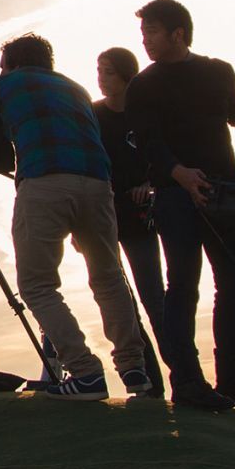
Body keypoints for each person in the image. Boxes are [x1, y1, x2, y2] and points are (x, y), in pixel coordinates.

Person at [0, 34, 222, 407]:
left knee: (37, 285)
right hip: (98, 186)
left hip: (45, 182)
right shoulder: (75, 88)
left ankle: (84, 371)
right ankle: (135, 369)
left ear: (11, 65)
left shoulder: (6, 85)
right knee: (109, 278)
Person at [124, 0, 235, 416]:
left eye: (153, 32)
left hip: (226, 193)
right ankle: (188, 383)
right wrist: (179, 173)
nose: (145, 40)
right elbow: (148, 142)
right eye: (143, 33)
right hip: (176, 196)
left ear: (179, 33)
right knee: (182, 287)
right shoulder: (142, 87)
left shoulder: (217, 71)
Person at [93, 47, 166, 397]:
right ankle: (147, 381)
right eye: (98, 71)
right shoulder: (92, 116)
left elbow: (162, 157)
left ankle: (184, 376)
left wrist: (149, 184)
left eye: (107, 71)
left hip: (140, 221)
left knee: (155, 298)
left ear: (126, 75)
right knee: (122, 304)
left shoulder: (144, 115)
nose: (101, 78)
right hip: (104, 219)